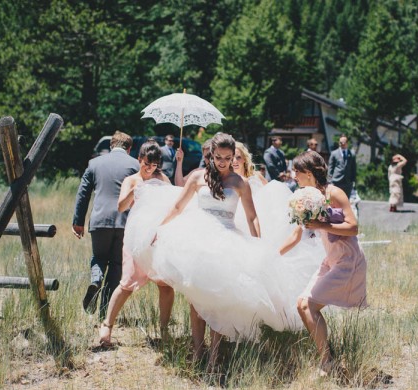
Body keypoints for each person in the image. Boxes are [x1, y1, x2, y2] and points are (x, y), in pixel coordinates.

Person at [150, 132, 266, 368]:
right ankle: (197, 349)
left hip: (226, 241)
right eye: (218, 157)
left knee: (217, 300)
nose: (222, 161)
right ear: (211, 155)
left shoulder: (239, 183)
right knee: (196, 297)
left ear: (234, 156)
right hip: (198, 240)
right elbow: (178, 206)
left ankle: (214, 356)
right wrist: (160, 228)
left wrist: (258, 246)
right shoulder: (196, 177)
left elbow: (252, 218)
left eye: (227, 157)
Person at [279, 151, 367, 377]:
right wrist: (273, 254)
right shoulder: (304, 197)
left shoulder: (334, 193)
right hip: (330, 259)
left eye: (296, 172)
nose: (294, 176)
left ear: (308, 173)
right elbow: (297, 235)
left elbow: (354, 227)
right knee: (301, 304)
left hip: (347, 259)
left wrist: (321, 224)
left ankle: (327, 362)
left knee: (310, 305)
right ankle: (327, 359)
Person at [98, 141, 176, 347]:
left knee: (165, 284)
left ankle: (164, 329)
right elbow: (121, 206)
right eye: (146, 164)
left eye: (154, 165)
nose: (150, 168)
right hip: (136, 236)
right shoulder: (131, 180)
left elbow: (172, 203)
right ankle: (107, 324)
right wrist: (137, 190)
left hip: (158, 236)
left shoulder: (162, 179)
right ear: (139, 160)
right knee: (127, 283)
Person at [72, 131, 139, 318]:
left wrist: (78, 222)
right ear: (129, 148)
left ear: (111, 146)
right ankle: (104, 311)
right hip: (124, 222)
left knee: (99, 257)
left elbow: (83, 194)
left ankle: (95, 279)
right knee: (117, 265)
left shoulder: (94, 164)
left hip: (99, 221)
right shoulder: (135, 165)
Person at [327, 134, 356, 199]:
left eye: (344, 142)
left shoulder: (352, 154)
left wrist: (353, 181)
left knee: (346, 200)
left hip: (348, 183)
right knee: (334, 200)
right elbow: (330, 168)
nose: (342, 144)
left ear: (347, 143)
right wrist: (329, 181)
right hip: (336, 181)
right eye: (340, 142)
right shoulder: (334, 153)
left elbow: (354, 168)